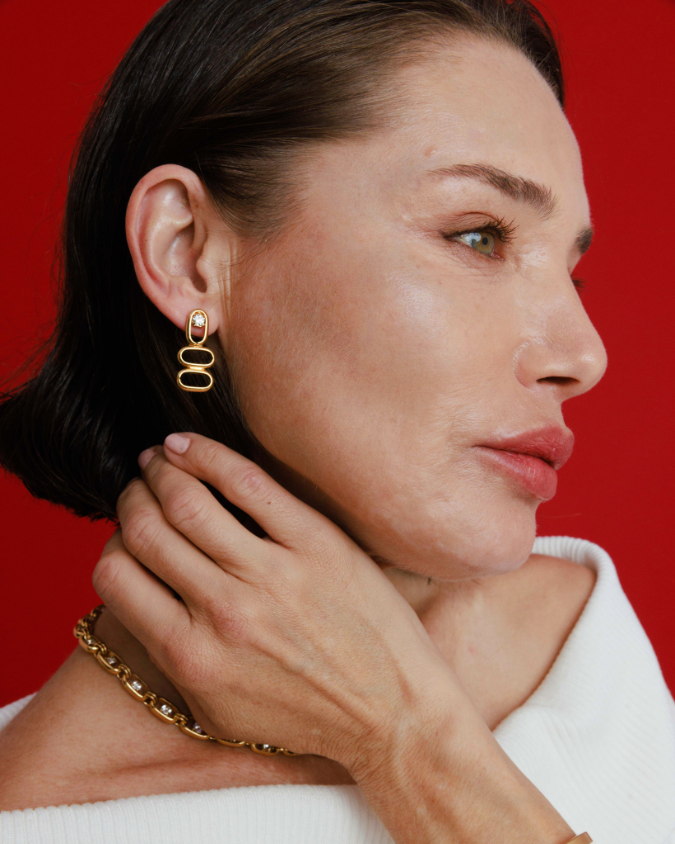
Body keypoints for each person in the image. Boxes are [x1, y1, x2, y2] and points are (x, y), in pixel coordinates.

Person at [0, 0, 673, 841]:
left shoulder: (582, 641)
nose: (583, 354)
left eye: (571, 272)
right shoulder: (41, 819)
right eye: (477, 236)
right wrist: (401, 741)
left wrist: (406, 738)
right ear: (189, 255)